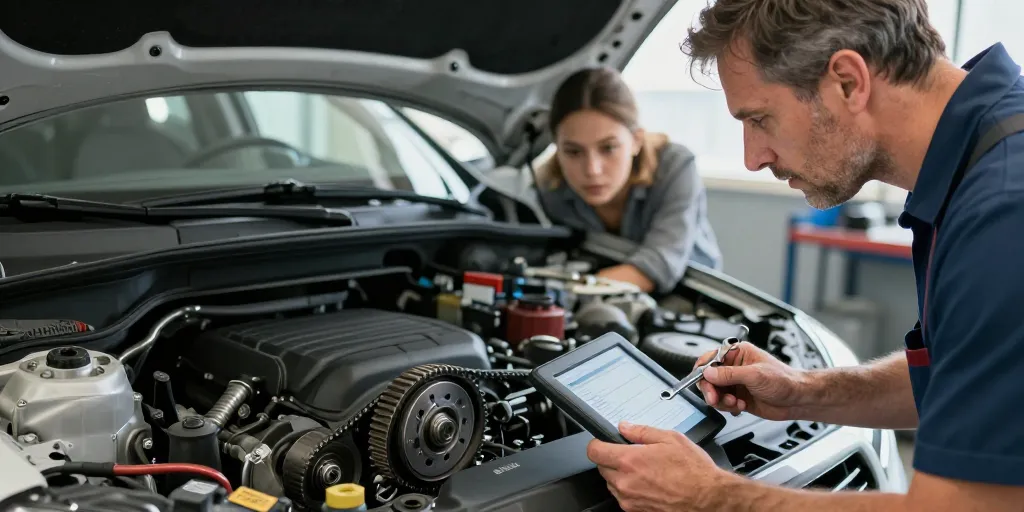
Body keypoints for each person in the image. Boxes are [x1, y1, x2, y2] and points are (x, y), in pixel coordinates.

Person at [585, 1, 1024, 511]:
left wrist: (710, 496)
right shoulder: (981, 158)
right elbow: (958, 374)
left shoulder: (1003, 214)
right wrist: (801, 391)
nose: (753, 157)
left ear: (847, 82)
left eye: (759, 118)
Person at [535, 67, 722, 294]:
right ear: (557, 146)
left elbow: (659, 264)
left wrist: (568, 292)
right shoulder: (547, 189)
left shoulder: (675, 168)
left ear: (635, 140)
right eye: (573, 152)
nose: (592, 170)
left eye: (608, 148)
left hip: (692, 301)